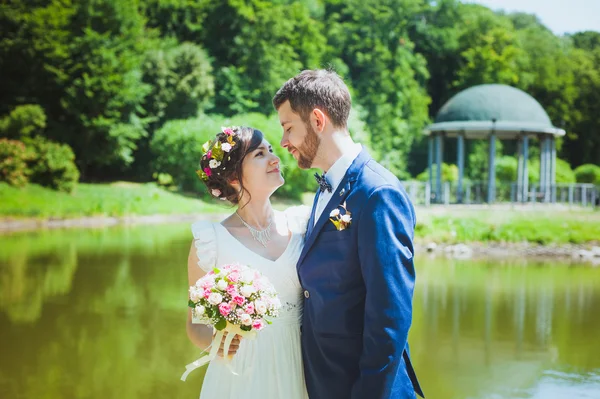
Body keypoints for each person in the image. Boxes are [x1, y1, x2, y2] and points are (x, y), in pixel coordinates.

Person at [273, 69, 425, 399]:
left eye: (288, 128)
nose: (283, 142)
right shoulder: (325, 188)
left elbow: (389, 319)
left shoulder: (378, 193)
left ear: (317, 119)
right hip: (325, 384)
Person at [185, 126, 309, 398]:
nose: (275, 159)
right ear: (232, 177)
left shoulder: (301, 225)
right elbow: (195, 324)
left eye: (272, 151)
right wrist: (217, 343)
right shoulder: (210, 242)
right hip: (241, 374)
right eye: (260, 154)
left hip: (300, 363)